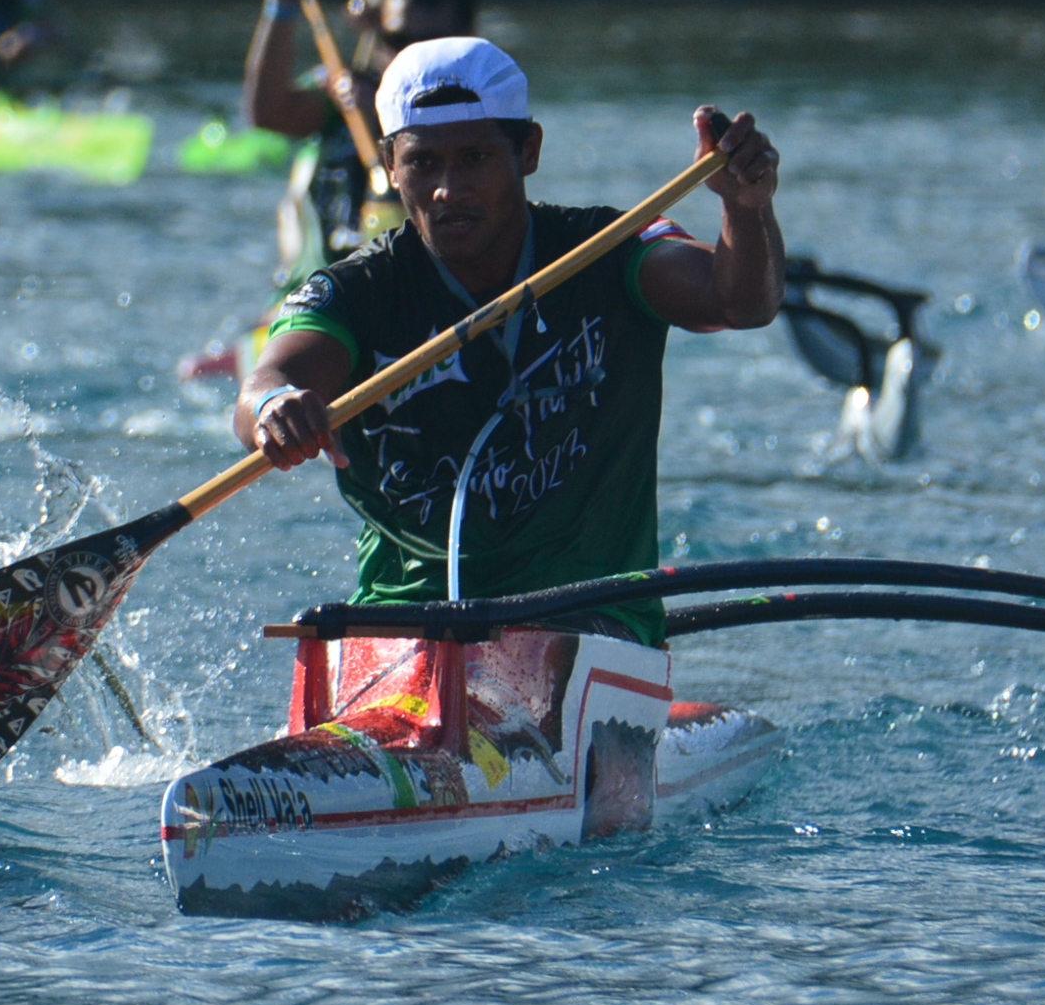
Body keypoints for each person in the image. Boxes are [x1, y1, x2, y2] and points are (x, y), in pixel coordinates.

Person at [234, 37, 783, 646]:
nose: (448, 188)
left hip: (591, 618)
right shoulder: (356, 290)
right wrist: (272, 408)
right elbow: (267, 381)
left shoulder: (609, 248)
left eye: (474, 159)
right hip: (402, 621)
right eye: (423, 163)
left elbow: (738, 302)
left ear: (528, 151)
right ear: (390, 166)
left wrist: (746, 207)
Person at [232, 0, 478, 276]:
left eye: (430, 43)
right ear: (376, 32)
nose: (410, 56)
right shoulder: (342, 94)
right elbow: (268, 112)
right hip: (325, 293)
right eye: (398, 40)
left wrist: (385, 125)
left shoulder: (479, 113)